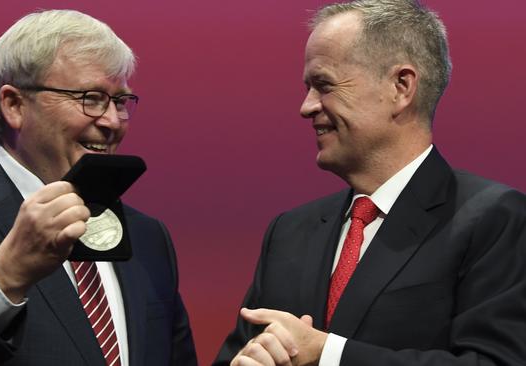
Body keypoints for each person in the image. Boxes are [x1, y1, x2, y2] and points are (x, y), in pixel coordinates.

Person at [0, 10, 197, 366]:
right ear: (14, 105)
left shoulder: (147, 236)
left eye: (120, 102)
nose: (110, 122)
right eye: (90, 98)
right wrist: (7, 273)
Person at [214, 0, 526, 365]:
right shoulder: (289, 233)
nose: (307, 106)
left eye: (324, 85)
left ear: (401, 86)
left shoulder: (493, 219)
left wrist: (328, 354)